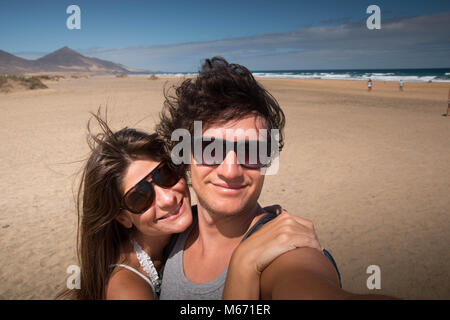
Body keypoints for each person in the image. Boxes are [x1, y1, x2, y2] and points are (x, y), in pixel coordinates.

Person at [156, 57, 395, 299]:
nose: (231, 171)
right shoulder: (169, 233)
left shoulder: (285, 252)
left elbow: (302, 283)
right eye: (211, 149)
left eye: (251, 151)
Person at [58, 111, 323, 300]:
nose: (167, 198)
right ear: (123, 218)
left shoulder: (176, 235)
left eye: (165, 175)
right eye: (140, 197)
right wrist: (243, 265)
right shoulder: (126, 286)